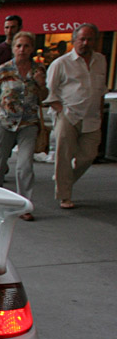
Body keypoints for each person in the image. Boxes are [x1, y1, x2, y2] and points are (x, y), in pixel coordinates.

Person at [0, 31, 48, 221]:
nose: (22, 50)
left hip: (28, 123)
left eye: (26, 46)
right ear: (13, 48)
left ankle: (24, 206)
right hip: (5, 122)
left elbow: (43, 98)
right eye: (19, 46)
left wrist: (41, 85)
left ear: (32, 49)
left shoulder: (38, 70)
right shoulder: (4, 70)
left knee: (25, 165)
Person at [44, 23, 108, 209]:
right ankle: (64, 195)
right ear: (74, 40)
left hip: (92, 117)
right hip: (68, 115)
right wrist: (60, 111)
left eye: (90, 39)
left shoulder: (101, 60)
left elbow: (102, 89)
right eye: (82, 39)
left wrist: (100, 111)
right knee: (64, 156)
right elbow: (50, 92)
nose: (86, 43)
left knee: (89, 155)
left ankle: (64, 178)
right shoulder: (61, 63)